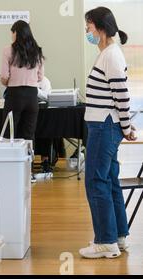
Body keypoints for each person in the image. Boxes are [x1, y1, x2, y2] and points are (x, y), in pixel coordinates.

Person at [79, 7, 137, 259]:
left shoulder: (111, 55)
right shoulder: (107, 54)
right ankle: (118, 236)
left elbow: (122, 96)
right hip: (104, 125)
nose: (86, 31)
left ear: (100, 27)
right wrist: (124, 125)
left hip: (104, 126)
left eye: (88, 26)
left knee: (96, 181)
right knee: (110, 180)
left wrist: (125, 127)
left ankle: (105, 241)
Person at [0, 20, 44, 181]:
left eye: (12, 32)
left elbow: (4, 77)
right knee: (29, 134)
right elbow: (40, 77)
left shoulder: (8, 50)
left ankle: (8, 168)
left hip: (14, 94)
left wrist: (6, 81)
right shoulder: (37, 51)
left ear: (16, 33)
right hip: (32, 96)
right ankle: (28, 172)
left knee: (9, 132)